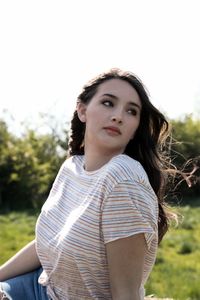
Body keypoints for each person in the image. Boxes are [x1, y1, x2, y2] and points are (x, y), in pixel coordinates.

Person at [0, 68, 175, 300]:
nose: (118, 116)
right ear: (82, 110)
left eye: (131, 111)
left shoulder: (124, 180)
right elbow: (48, 243)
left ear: (134, 130)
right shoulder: (72, 167)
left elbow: (125, 294)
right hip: (38, 284)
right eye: (108, 103)